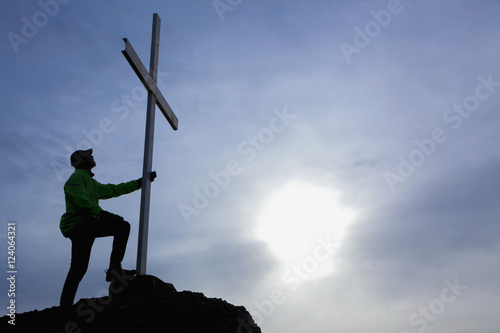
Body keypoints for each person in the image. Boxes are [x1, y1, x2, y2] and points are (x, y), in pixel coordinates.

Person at [59, 148, 156, 306]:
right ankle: (64, 306)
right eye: (88, 155)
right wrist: (103, 215)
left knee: (79, 267)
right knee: (79, 267)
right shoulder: (75, 178)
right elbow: (82, 201)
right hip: (79, 226)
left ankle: (114, 270)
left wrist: (140, 183)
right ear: (82, 160)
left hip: (87, 224)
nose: (92, 156)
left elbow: (114, 189)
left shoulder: (92, 182)